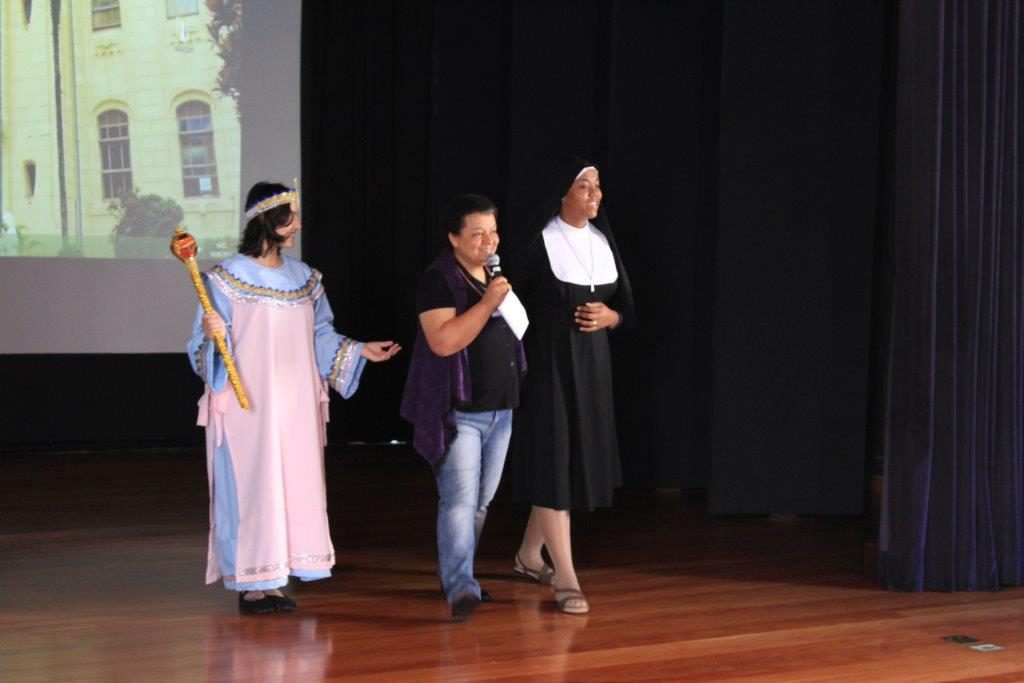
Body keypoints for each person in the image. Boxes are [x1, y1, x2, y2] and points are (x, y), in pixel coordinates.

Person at [187, 181, 400, 614]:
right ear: (267, 220)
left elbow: (320, 333)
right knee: (254, 487)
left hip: (295, 400)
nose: (298, 225)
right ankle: (252, 583)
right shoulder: (225, 279)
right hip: (249, 405)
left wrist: (358, 350)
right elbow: (204, 347)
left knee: (291, 484)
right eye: (290, 217)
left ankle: (277, 577)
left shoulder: (305, 278)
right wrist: (213, 336)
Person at [506, 160, 635, 615]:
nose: (594, 194)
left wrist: (612, 318)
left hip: (593, 367)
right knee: (553, 459)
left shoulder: (602, 240)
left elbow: (623, 307)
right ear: (561, 193)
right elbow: (503, 299)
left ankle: (528, 556)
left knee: (566, 464)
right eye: (584, 186)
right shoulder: (535, 243)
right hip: (548, 366)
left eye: (597, 186)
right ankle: (566, 576)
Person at [400, 194, 527, 621]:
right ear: (453, 238)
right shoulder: (438, 280)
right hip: (459, 410)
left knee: (481, 502)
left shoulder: (493, 276)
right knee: (458, 501)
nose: (489, 241)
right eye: (477, 234)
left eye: (493, 232)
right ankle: (460, 588)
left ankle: (460, 576)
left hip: (501, 409)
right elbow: (443, 341)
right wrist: (489, 303)